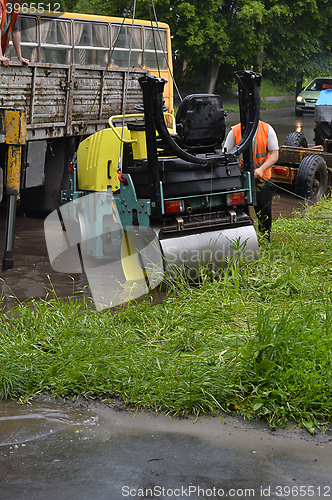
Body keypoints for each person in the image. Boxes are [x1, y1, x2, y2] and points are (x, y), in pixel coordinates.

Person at [224, 120, 279, 241]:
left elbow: (274, 154)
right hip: (239, 181)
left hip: (262, 179)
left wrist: (261, 169)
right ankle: (244, 240)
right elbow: (226, 154)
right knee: (240, 212)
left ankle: (265, 239)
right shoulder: (235, 131)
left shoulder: (267, 129)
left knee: (264, 212)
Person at [0, 0, 29, 67]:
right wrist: (0, 55)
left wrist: (20, 57)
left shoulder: (15, 7)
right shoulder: (1, 3)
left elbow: (15, 31)